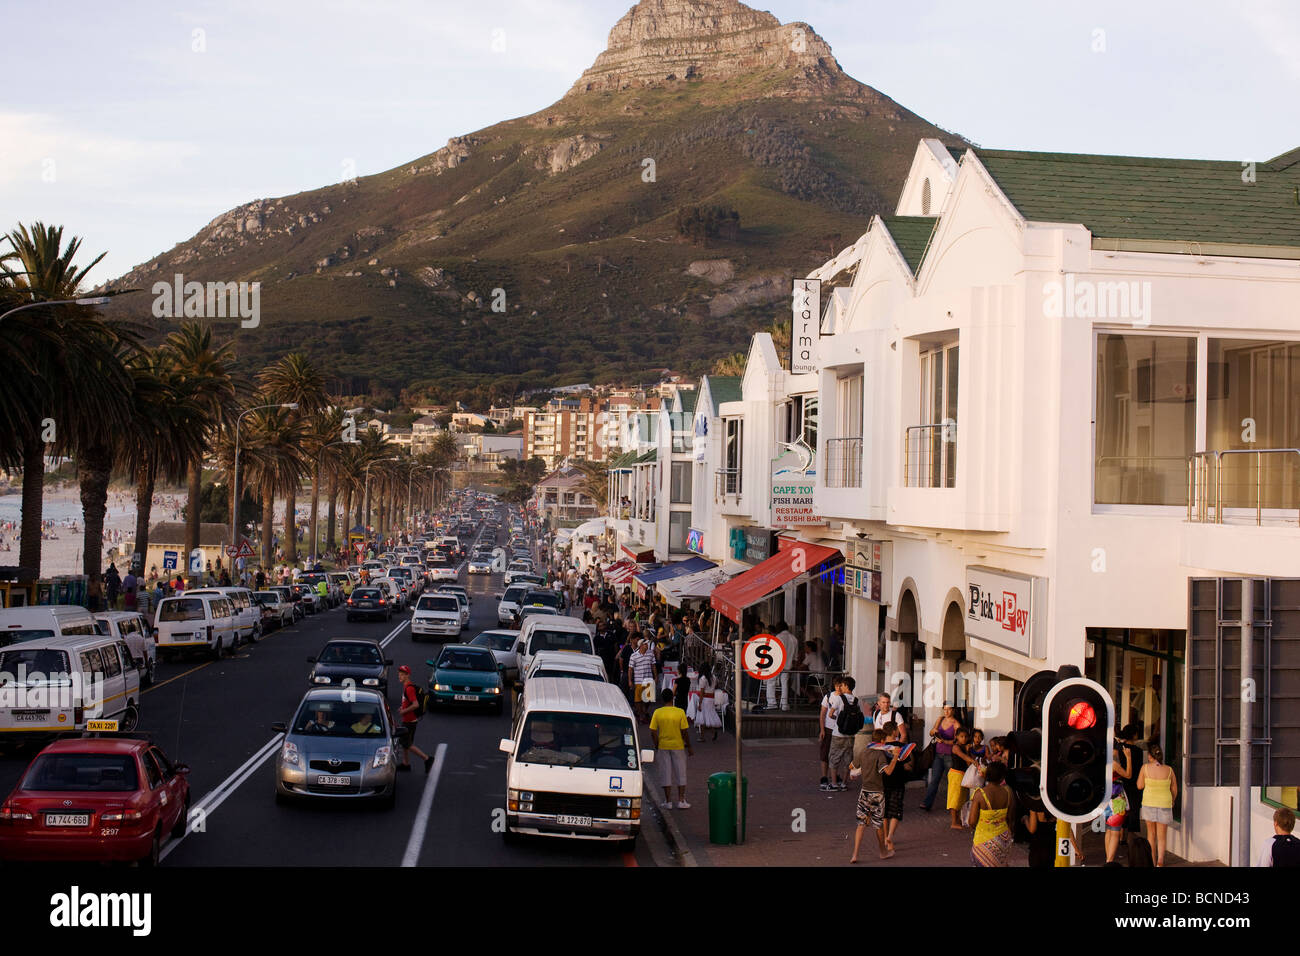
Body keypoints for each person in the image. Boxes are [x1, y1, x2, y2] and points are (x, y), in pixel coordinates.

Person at [848, 727, 898, 863]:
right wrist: (895, 758)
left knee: (861, 824)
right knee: (878, 825)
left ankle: (855, 854)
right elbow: (887, 772)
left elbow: (851, 767)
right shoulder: (880, 755)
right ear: (882, 741)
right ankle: (882, 852)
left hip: (864, 791)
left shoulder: (864, 752)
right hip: (877, 793)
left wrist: (858, 772)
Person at [650, 688, 693, 808]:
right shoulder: (680, 712)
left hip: (663, 745)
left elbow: (653, 731)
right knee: (681, 772)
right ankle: (681, 800)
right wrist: (689, 746)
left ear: (662, 699)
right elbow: (684, 731)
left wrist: (657, 744)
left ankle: (668, 801)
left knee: (665, 773)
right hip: (678, 745)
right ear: (672, 698)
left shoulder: (657, 712)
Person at [1136, 744, 1175, 866]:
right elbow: (1174, 788)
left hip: (1149, 803)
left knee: (1151, 834)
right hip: (1164, 803)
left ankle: (1152, 861)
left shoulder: (1145, 768)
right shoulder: (1169, 770)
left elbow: (1139, 786)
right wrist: (1172, 800)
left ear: (1149, 756)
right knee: (1162, 836)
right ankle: (1160, 862)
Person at [970, 761, 1014, 867]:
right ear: (1002, 777)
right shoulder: (1008, 792)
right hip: (1003, 839)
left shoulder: (980, 794)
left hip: (983, 841)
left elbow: (971, 821)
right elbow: (1010, 818)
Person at [879, 720, 913, 853]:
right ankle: (890, 836)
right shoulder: (901, 747)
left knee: (885, 812)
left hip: (883, 782)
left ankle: (886, 837)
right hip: (898, 782)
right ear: (894, 732)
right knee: (896, 811)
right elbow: (908, 765)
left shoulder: (880, 747)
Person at [920, 704, 960, 812]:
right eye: (945, 709)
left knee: (951, 782)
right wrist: (934, 731)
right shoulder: (940, 719)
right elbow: (931, 732)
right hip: (938, 754)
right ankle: (927, 803)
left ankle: (952, 807)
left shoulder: (956, 724)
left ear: (953, 710)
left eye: (949, 709)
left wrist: (945, 741)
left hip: (949, 755)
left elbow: (958, 741)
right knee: (934, 779)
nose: (946, 712)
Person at [396, 666, 434, 773]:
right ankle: (406, 763)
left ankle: (427, 758)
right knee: (405, 743)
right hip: (409, 719)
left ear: (408, 675)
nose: (400, 676)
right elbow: (408, 702)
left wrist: (404, 711)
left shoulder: (409, 688)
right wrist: (402, 707)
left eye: (402, 674)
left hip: (410, 720)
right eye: (399, 673)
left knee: (407, 743)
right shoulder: (406, 687)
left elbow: (415, 705)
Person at [826, 676, 859, 792]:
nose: (841, 687)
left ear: (846, 686)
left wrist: (838, 720)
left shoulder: (839, 699)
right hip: (851, 735)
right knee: (847, 760)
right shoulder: (856, 700)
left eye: (842, 685)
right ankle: (844, 783)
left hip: (838, 733)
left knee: (834, 758)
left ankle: (834, 784)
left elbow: (830, 714)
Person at [1104, 740, 1134, 863]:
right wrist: (1128, 758)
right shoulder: (1114, 764)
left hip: (1105, 800)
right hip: (1117, 800)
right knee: (1115, 832)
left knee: (1108, 830)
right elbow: (1128, 775)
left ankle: (1108, 859)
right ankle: (1109, 861)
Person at [756, 620, 795, 712]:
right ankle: (784, 705)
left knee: (771, 682)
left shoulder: (778, 637)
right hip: (788, 665)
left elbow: (774, 651)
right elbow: (795, 657)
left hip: (777, 664)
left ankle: (772, 703)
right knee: (785, 684)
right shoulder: (794, 639)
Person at [948, 727, 975, 830]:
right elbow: (963, 756)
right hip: (955, 774)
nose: (963, 739)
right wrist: (973, 761)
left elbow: (967, 762)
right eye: (961, 736)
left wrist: (969, 752)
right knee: (954, 798)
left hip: (963, 774)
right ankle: (954, 821)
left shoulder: (966, 747)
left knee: (961, 798)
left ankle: (959, 819)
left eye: (965, 737)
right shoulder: (956, 747)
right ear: (957, 737)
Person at [628, 637, 657, 723]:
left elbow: (653, 666)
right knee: (638, 700)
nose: (647, 645)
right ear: (641, 645)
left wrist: (656, 677)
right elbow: (630, 669)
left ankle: (644, 711)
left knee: (649, 699)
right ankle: (641, 714)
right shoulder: (634, 656)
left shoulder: (651, 654)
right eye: (645, 644)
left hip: (649, 679)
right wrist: (630, 680)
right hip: (638, 680)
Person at [695, 665, 723, 743]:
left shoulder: (702, 678)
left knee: (702, 717)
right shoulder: (713, 677)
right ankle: (712, 732)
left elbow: (702, 692)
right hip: (711, 699)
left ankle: (702, 736)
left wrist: (699, 703)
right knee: (709, 716)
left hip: (705, 699)